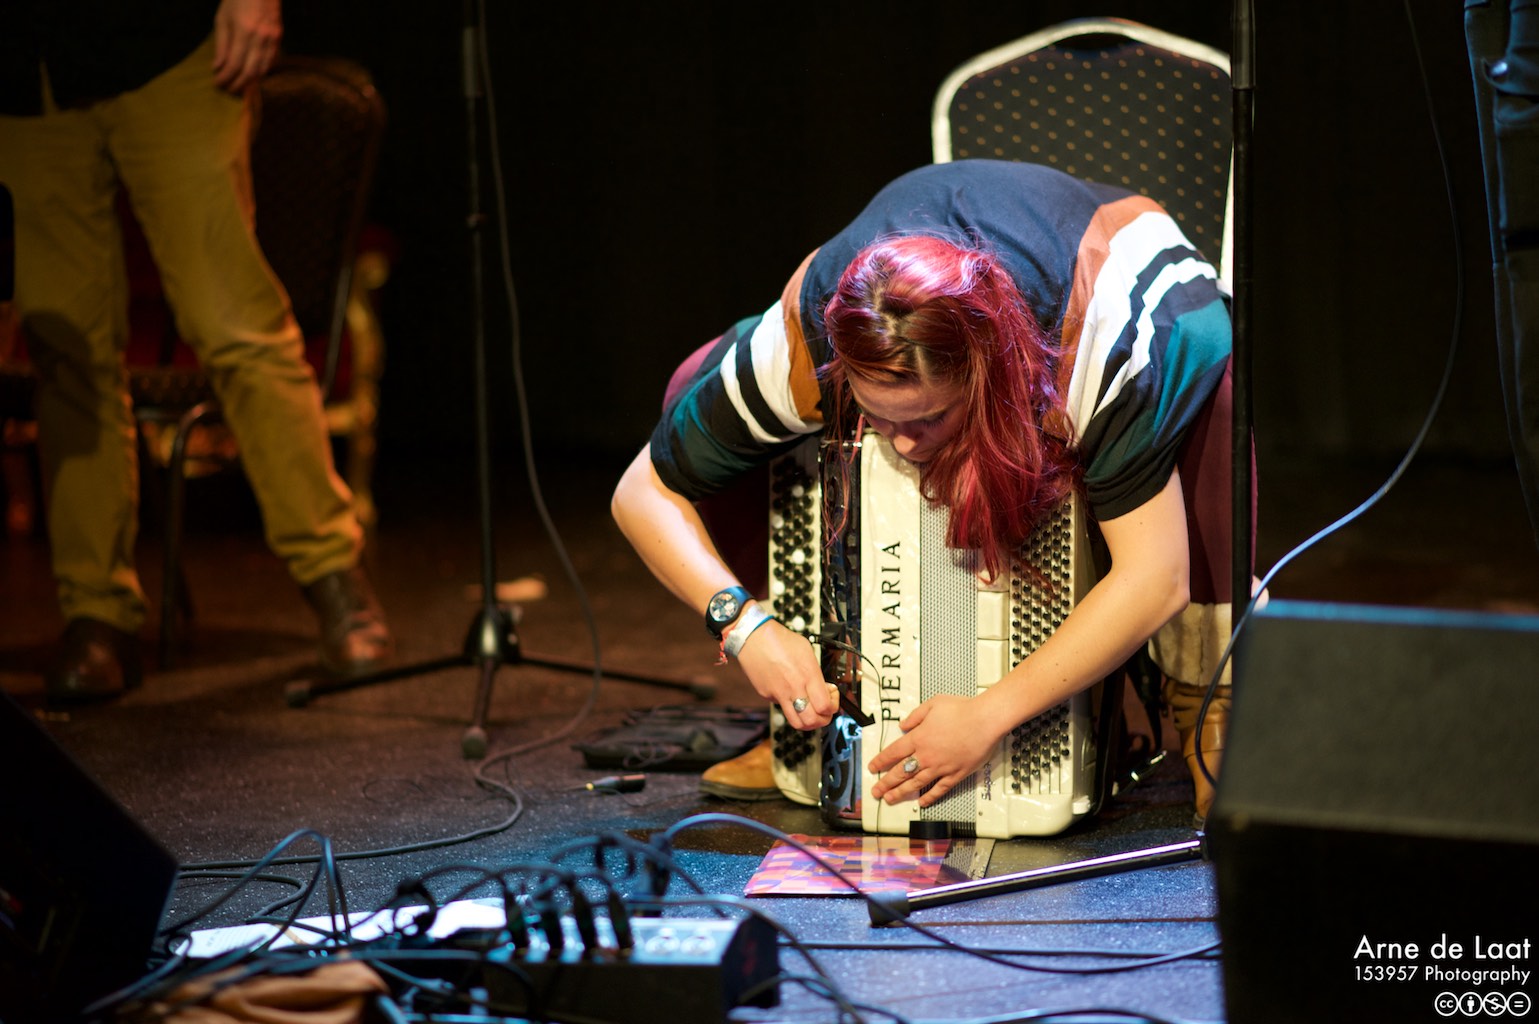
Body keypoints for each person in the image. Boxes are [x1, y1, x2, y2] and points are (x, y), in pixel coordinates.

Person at [612, 159, 1250, 824]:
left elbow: (1156, 578)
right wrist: (746, 626)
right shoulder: (809, 342)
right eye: (879, 417)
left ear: (982, 378)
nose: (906, 444)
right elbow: (640, 492)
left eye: (927, 419)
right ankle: (802, 712)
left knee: (1216, 396)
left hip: (1121, 281)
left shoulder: (1104, 344)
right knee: (693, 387)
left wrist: (989, 715)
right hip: (956, 274)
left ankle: (1207, 701)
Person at [0, 0, 391, 705]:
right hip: (29, 71)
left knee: (236, 323)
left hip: (165, 42)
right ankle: (97, 614)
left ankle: (335, 576)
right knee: (65, 351)